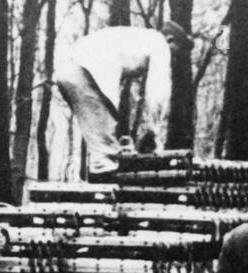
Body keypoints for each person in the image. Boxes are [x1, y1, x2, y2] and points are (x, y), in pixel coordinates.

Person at [53, 22, 193, 178]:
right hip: (83, 70)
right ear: (171, 39)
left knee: (99, 131)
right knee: (103, 138)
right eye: (176, 52)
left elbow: (130, 95)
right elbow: (157, 94)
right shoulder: (160, 44)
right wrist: (151, 132)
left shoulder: (138, 40)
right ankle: (103, 174)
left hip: (67, 68)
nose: (174, 58)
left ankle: (102, 168)